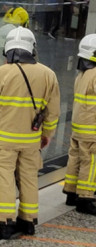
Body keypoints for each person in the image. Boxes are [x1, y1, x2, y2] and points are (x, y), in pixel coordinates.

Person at [0, 26, 60, 239]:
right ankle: (28, 221)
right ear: (32, 49)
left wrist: (5, 70)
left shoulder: (4, 72)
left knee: (4, 177)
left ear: (9, 50)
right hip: (31, 139)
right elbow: (53, 111)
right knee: (29, 177)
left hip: (4, 138)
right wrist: (47, 134)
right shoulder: (48, 74)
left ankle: (3, 222)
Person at [63, 34, 96, 215]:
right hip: (92, 129)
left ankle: (71, 192)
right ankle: (85, 197)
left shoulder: (81, 74)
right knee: (90, 162)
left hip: (78, 127)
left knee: (75, 159)